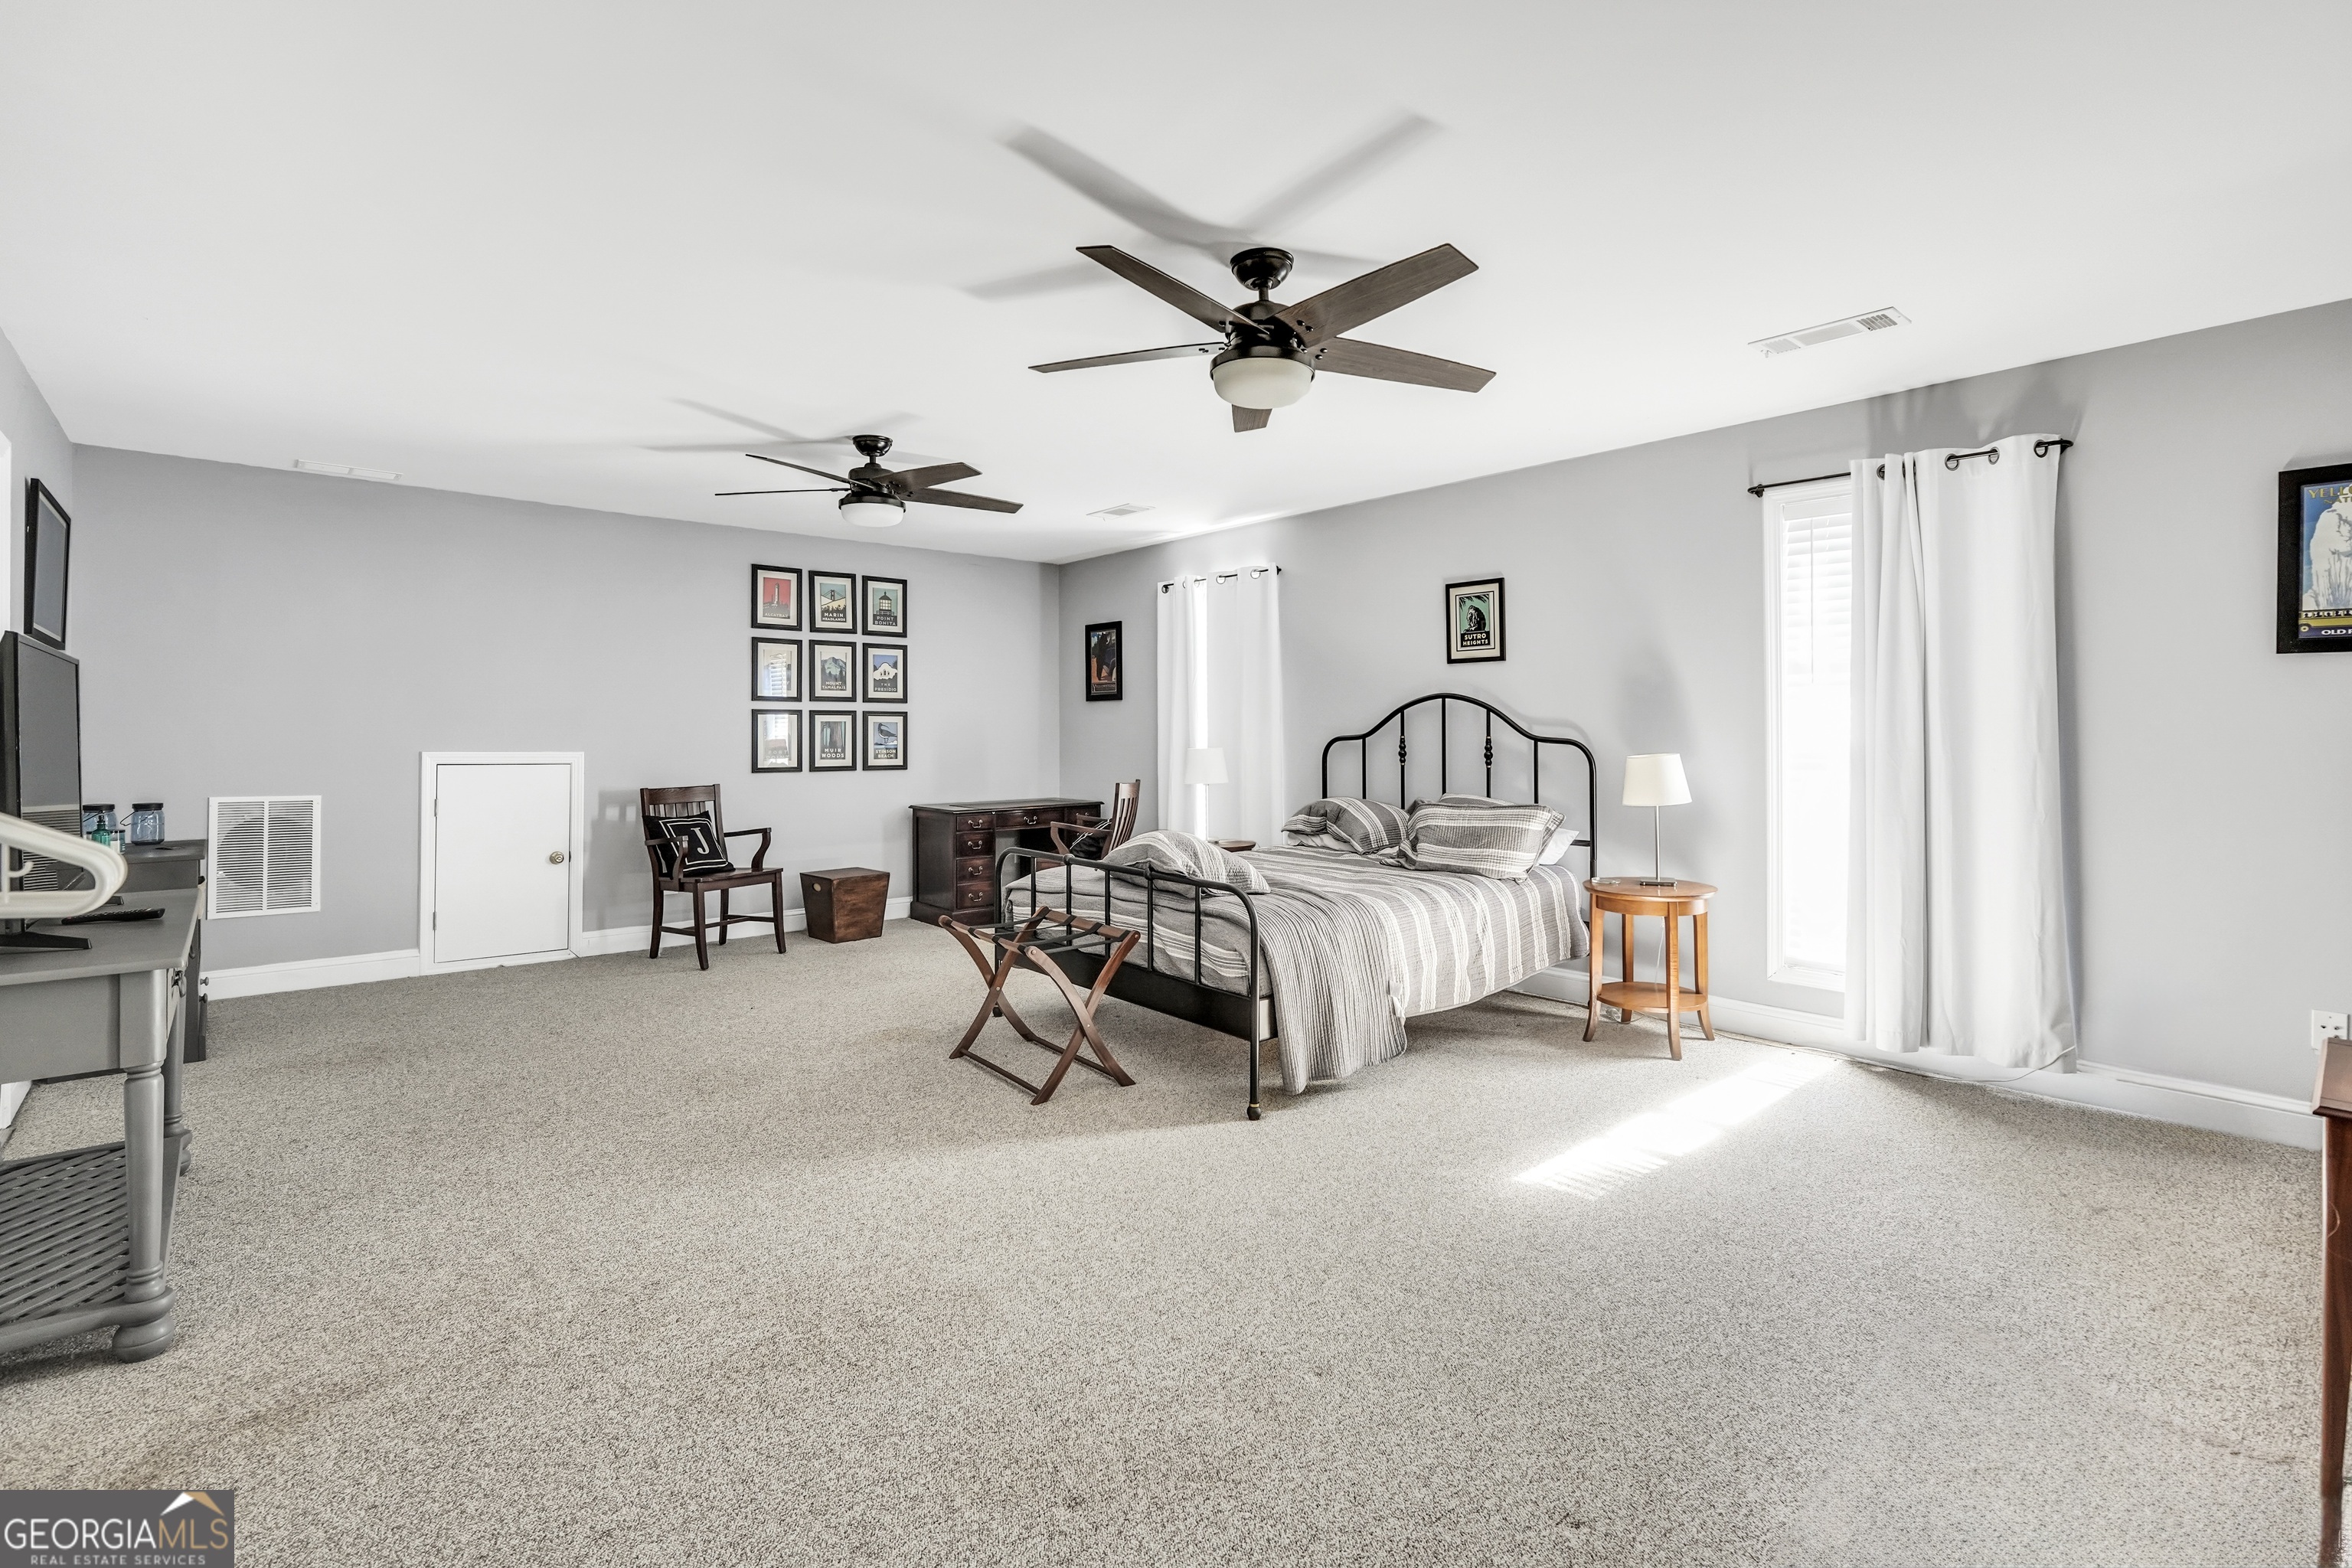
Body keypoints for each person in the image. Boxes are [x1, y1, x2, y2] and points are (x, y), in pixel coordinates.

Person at [2309, 495, 2352, 612]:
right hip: (2327, 595)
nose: (2349, 529)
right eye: (2345, 523)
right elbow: (2341, 546)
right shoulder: (2330, 517)